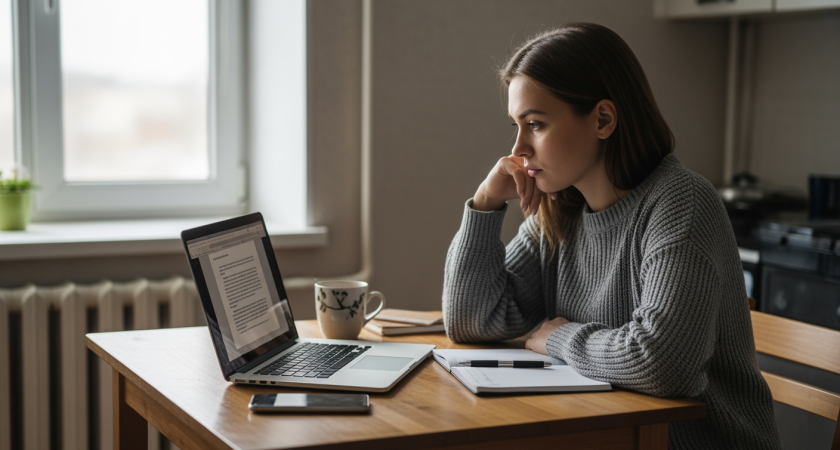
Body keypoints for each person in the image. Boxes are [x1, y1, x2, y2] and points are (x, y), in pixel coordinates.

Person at [442, 23, 781, 449]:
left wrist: (559, 338)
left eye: (536, 125)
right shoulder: (561, 214)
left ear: (603, 120)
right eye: (516, 125)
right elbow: (471, 320)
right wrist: (486, 201)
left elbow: (662, 362)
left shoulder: (680, 202)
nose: (518, 149)